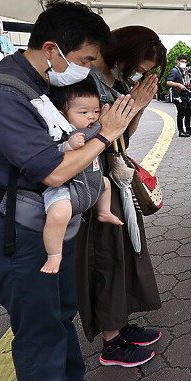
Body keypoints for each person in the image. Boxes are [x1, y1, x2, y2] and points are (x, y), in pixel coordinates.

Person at [0, 1, 136, 381]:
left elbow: (71, 143)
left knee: (60, 314)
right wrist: (107, 135)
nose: (87, 70)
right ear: (52, 48)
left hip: (39, 224)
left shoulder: (36, 84)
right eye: (84, 60)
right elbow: (54, 170)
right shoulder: (2, 91)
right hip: (13, 231)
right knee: (39, 328)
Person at [78, 25, 167, 368]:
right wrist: (133, 103)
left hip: (115, 175)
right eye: (141, 66)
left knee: (127, 250)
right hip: (95, 178)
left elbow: (125, 134)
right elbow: (88, 133)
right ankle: (111, 344)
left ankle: (120, 325)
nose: (140, 74)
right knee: (107, 255)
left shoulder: (114, 76)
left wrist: (140, 104)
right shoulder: (83, 80)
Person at [41, 81, 123, 275]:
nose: (91, 117)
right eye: (83, 112)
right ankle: (54, 254)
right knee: (58, 214)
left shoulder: (94, 129)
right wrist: (68, 146)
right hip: (65, 188)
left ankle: (103, 212)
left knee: (106, 184)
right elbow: (51, 152)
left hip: (90, 182)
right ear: (63, 115)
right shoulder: (62, 131)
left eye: (95, 111)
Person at [166, 54, 191, 137]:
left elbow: (183, 82)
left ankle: (188, 129)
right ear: (178, 62)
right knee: (181, 113)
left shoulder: (182, 71)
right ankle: (181, 131)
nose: (184, 63)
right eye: (182, 62)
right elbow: (169, 82)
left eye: (185, 62)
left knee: (188, 113)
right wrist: (179, 85)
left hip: (185, 95)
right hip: (178, 96)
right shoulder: (175, 71)